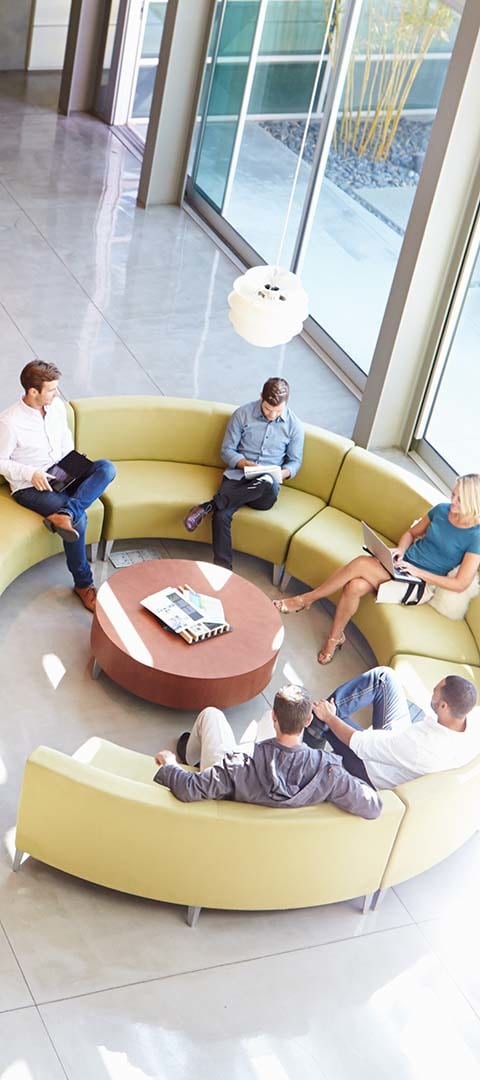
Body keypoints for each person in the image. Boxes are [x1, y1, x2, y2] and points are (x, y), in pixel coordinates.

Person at [274, 473, 480, 664]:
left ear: (473, 502)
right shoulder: (441, 510)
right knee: (354, 586)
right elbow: (411, 533)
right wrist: (400, 549)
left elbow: (460, 584)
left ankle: (305, 599)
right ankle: (334, 638)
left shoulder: (475, 536)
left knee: (362, 563)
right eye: (453, 494)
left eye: (460, 499)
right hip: (402, 564)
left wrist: (418, 572)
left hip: (419, 584)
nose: (453, 501)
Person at [153, 684, 382, 817]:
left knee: (211, 715)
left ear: (275, 716)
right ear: (308, 719)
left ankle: (190, 757)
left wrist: (170, 764)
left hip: (238, 783)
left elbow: (189, 789)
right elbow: (373, 807)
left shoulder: (238, 763)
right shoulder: (328, 771)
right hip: (267, 787)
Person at [0, 360, 116, 613]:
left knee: (106, 468)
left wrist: (75, 462)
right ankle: (84, 584)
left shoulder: (57, 408)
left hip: (63, 472)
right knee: (80, 520)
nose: (57, 394)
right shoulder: (9, 421)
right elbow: (0, 461)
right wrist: (30, 473)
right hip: (30, 487)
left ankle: (64, 514)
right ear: (33, 392)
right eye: (51, 390)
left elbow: (64, 441)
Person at [183, 377, 304, 570]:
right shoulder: (242, 414)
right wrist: (243, 463)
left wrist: (284, 473)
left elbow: (295, 461)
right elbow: (227, 450)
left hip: (265, 489)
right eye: (267, 409)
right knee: (222, 516)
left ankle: (208, 506)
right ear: (260, 398)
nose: (272, 415)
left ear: (286, 403)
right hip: (238, 476)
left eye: (277, 411)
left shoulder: (295, 426)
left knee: (265, 481)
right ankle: (223, 569)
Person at [304, 666, 479, 790]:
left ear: (443, 707)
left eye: (435, 691)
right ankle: (323, 715)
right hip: (399, 739)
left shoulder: (421, 746)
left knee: (321, 719)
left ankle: (304, 756)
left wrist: (329, 716)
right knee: (384, 677)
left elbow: (358, 743)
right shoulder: (470, 722)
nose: (432, 692)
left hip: (373, 769)